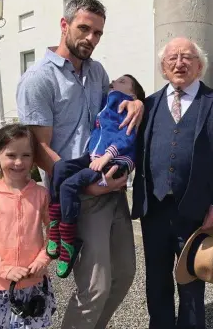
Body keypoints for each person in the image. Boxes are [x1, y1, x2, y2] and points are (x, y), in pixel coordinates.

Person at [16, 0, 144, 329]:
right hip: (79, 193)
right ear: (64, 25)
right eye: (84, 28)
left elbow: (114, 112)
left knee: (125, 276)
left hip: (112, 187)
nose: (91, 38)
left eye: (98, 32)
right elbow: (40, 148)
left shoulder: (98, 72)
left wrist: (136, 104)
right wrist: (87, 184)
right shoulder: (38, 79)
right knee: (95, 288)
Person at [132, 37, 213, 329]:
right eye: (172, 58)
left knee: (192, 278)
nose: (180, 63)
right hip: (153, 209)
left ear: (200, 65)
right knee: (156, 278)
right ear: (163, 68)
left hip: (196, 211)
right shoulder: (149, 105)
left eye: (187, 57)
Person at [46, 75, 145, 279]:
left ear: (132, 93)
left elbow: (128, 135)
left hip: (111, 160)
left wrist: (108, 155)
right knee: (60, 169)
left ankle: (68, 244)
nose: (115, 80)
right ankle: (54, 225)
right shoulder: (108, 101)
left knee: (68, 187)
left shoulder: (126, 106)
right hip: (94, 156)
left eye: (123, 81)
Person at [0, 124, 56, 329]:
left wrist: (43, 259)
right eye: (11, 155)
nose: (18, 162)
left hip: (35, 285)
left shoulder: (41, 195)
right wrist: (4, 269)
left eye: (26, 155)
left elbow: (55, 232)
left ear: (34, 158)